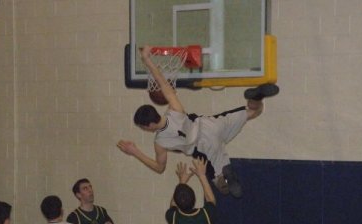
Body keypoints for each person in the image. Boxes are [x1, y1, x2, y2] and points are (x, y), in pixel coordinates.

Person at [117, 45, 279, 198]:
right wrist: (147, 59)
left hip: (203, 146)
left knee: (221, 187)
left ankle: (226, 175)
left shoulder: (160, 142)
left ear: (148, 126)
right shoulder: (174, 109)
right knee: (254, 111)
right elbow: (162, 82)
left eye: (143, 128)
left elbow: (159, 168)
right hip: (212, 125)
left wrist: (135, 152)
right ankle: (256, 97)